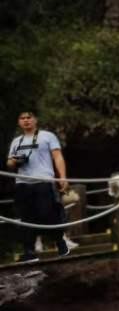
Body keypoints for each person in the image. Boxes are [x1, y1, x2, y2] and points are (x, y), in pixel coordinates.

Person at [6, 110, 70, 262]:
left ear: (35, 120)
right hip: (22, 183)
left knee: (48, 213)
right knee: (25, 217)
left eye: (29, 117)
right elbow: (9, 163)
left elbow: (57, 156)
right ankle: (29, 251)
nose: (26, 120)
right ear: (19, 122)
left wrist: (62, 177)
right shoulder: (16, 141)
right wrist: (14, 161)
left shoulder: (47, 136)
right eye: (22, 118)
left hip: (44, 181)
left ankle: (60, 241)